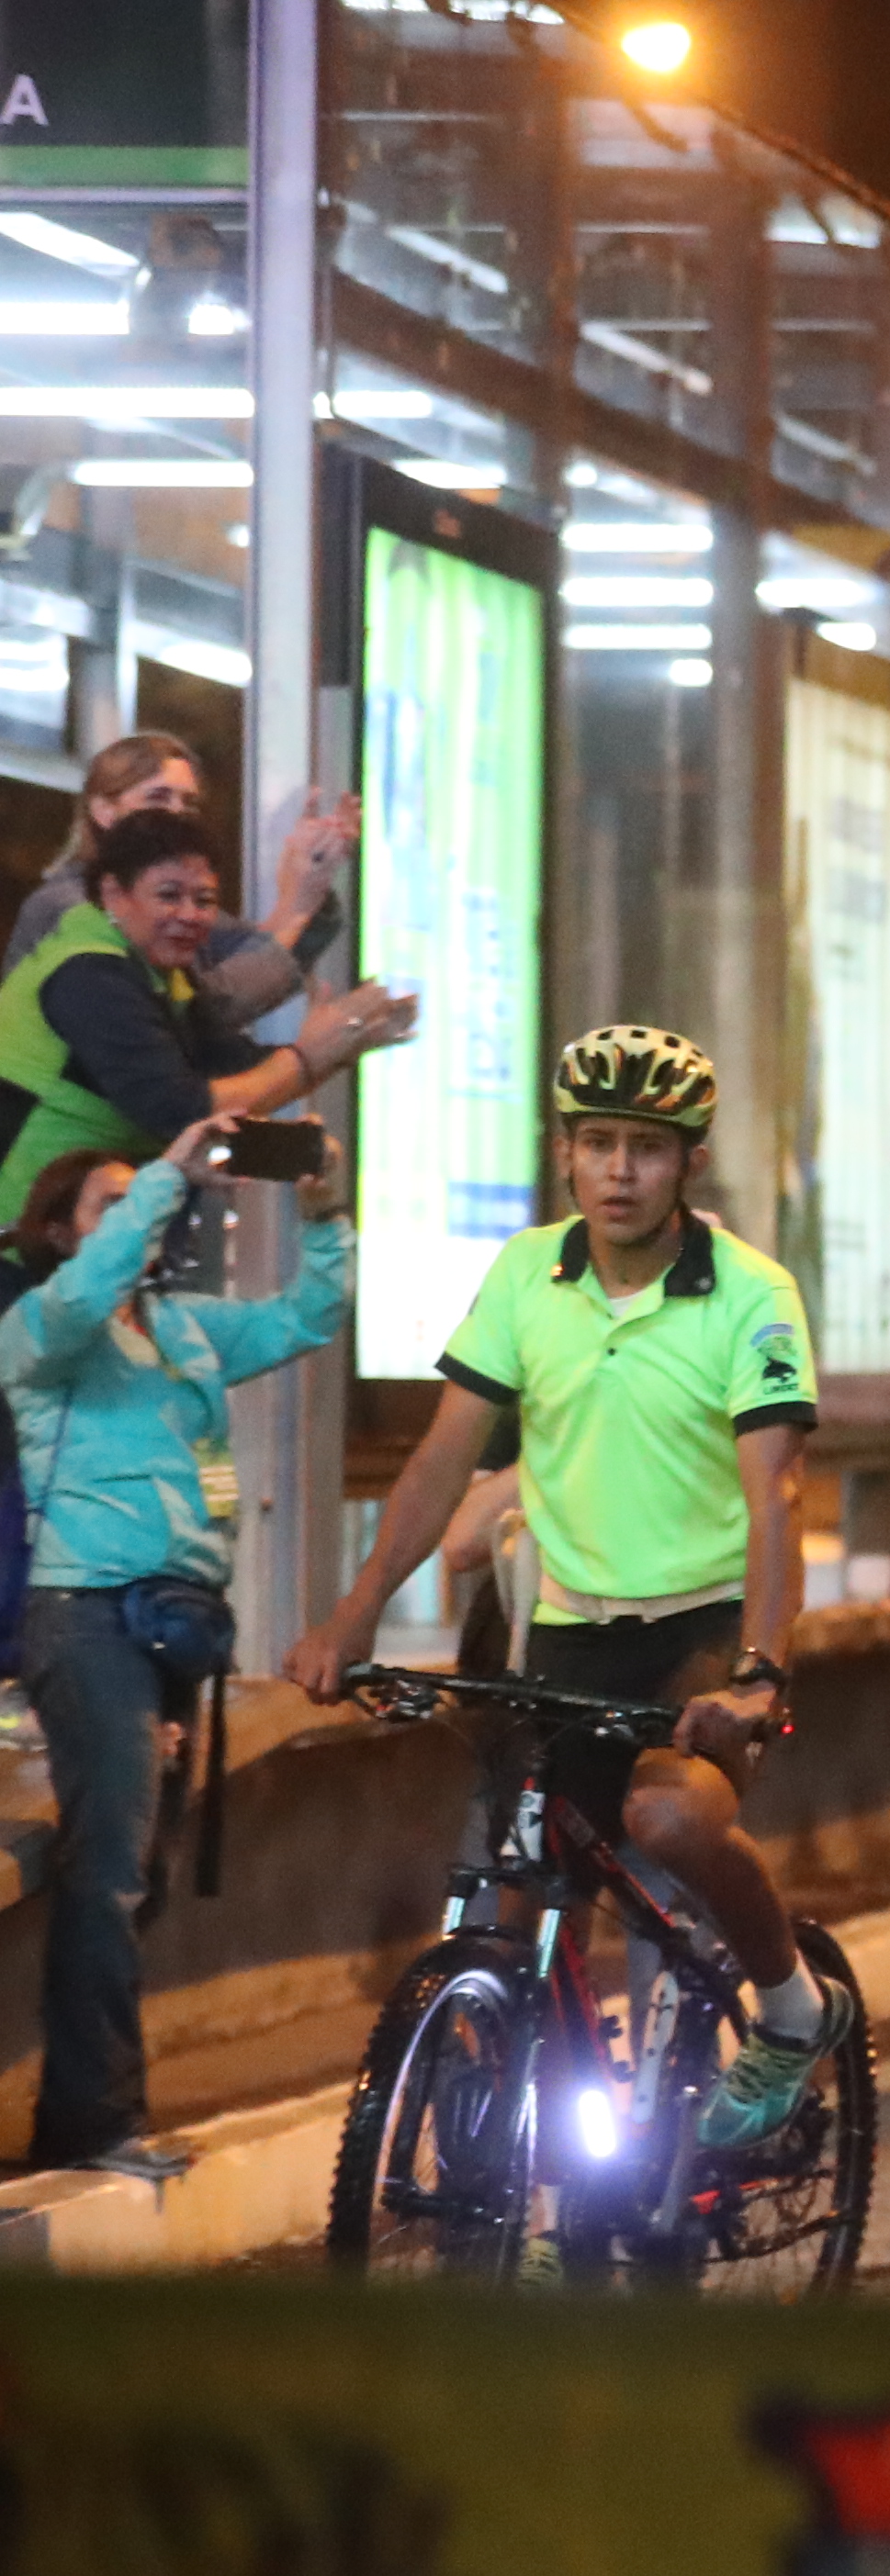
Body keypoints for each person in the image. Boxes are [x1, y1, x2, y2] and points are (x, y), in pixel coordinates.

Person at [286, 1025, 843, 2150]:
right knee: (522, 1877)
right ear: (566, 1154)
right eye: (599, 1144)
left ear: (689, 1161)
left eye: (648, 1146)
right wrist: (352, 1618)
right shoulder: (524, 1275)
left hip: (707, 1621)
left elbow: (775, 1492)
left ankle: (791, 2008)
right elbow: (444, 1460)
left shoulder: (750, 1294)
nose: (621, 1170)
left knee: (670, 1815)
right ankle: (543, 2196)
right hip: (567, 1627)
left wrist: (758, 1673)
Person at [0, 1114, 351, 2175]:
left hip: (173, 1626)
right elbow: (79, 1291)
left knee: (135, 1875)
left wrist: (326, 1206)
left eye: (144, 1199)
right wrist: (162, 1177)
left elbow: (310, 1314)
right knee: (109, 1872)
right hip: (87, 1615)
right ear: (62, 1232)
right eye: (106, 1205)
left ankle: (86, 2109)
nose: (141, 1214)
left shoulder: (186, 1329)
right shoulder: (40, 1327)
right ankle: (98, 2123)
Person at [0, 808, 411, 1214]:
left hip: (93, 1234)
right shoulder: (88, 972)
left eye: (204, 900)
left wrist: (346, 1040)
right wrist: (311, 1054)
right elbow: (183, 1112)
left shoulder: (162, 973)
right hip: (23, 1236)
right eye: (168, 896)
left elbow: (229, 1069)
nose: (189, 915)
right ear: (113, 895)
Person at [6, 734, 355, 1042]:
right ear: (104, 811)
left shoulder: (171, 898)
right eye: (159, 797)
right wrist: (296, 904)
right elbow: (214, 1009)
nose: (177, 813)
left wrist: (315, 871)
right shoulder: (68, 904)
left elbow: (265, 954)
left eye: (188, 803)